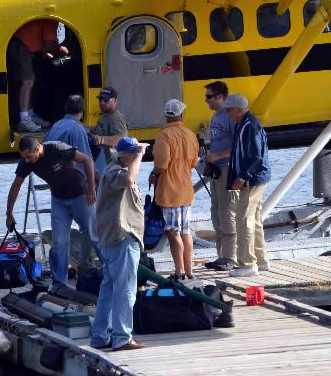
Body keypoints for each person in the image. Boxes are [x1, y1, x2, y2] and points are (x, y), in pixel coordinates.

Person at [5, 136, 96, 285]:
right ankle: (59, 284)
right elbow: (16, 185)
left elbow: (87, 160)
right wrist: (9, 213)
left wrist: (91, 189)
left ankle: (112, 273)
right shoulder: (27, 162)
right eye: (24, 157)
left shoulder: (57, 148)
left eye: (28, 157)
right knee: (59, 242)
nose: (26, 160)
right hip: (59, 200)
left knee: (94, 234)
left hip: (81, 195)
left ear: (37, 149)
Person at [91, 136, 148, 352]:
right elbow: (129, 179)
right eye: (134, 154)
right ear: (126, 156)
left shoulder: (115, 170)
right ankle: (122, 337)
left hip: (113, 239)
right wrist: (140, 155)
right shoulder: (116, 172)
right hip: (121, 239)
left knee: (109, 288)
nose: (138, 157)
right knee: (125, 289)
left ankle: (100, 336)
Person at [44, 94, 101, 272]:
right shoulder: (77, 130)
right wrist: (92, 187)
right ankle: (112, 270)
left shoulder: (56, 126)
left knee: (60, 241)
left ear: (65, 109)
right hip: (78, 191)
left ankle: (59, 280)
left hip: (58, 192)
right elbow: (85, 161)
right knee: (94, 233)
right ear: (82, 111)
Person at [149, 99, 199, 280]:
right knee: (185, 231)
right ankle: (189, 271)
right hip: (186, 191)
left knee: (172, 232)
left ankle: (179, 272)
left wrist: (153, 174)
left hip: (169, 192)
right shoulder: (190, 134)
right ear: (181, 115)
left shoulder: (164, 135)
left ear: (166, 116)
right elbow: (194, 162)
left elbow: (161, 164)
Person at [224, 94, 271, 277]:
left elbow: (256, 157)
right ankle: (261, 260)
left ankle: (247, 263)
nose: (228, 114)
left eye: (229, 110)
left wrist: (242, 177)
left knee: (244, 219)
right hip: (255, 177)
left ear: (238, 110)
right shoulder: (243, 124)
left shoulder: (249, 126)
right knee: (255, 218)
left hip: (252, 179)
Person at [8, 19, 68, 132]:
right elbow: (49, 44)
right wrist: (63, 50)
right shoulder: (52, 19)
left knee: (31, 82)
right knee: (27, 82)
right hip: (22, 46)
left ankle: (30, 115)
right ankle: (23, 119)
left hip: (29, 48)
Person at [202, 81, 236, 271]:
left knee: (226, 213)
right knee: (216, 212)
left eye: (209, 96)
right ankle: (221, 256)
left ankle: (230, 258)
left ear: (220, 97)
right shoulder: (215, 116)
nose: (206, 100)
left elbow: (238, 145)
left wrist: (218, 156)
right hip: (216, 170)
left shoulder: (229, 116)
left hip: (227, 169)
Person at [93, 86, 129, 167]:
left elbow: (121, 139)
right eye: (100, 99)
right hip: (106, 165)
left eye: (106, 100)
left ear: (115, 101)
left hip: (116, 166)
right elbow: (98, 130)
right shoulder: (105, 115)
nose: (102, 103)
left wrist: (101, 139)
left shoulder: (117, 119)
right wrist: (82, 126)